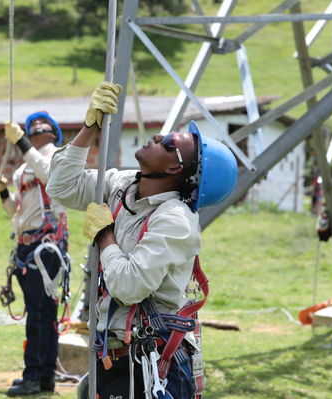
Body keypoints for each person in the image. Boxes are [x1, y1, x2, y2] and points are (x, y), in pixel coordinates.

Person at [46, 82, 238, 399]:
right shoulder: (123, 186)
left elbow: (129, 286)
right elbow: (62, 186)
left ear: (175, 167)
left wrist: (104, 234)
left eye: (167, 143)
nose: (156, 137)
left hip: (150, 363)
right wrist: (89, 128)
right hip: (114, 355)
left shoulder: (174, 221)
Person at [0, 112, 69, 396]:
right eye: (31, 126)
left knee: (41, 313)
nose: (35, 127)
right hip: (28, 244)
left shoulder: (57, 156)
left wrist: (22, 141)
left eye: (41, 125)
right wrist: (3, 195)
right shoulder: (23, 170)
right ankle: (44, 375)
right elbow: (17, 215)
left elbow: (48, 174)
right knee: (39, 312)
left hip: (47, 246)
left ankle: (34, 376)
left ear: (53, 133)